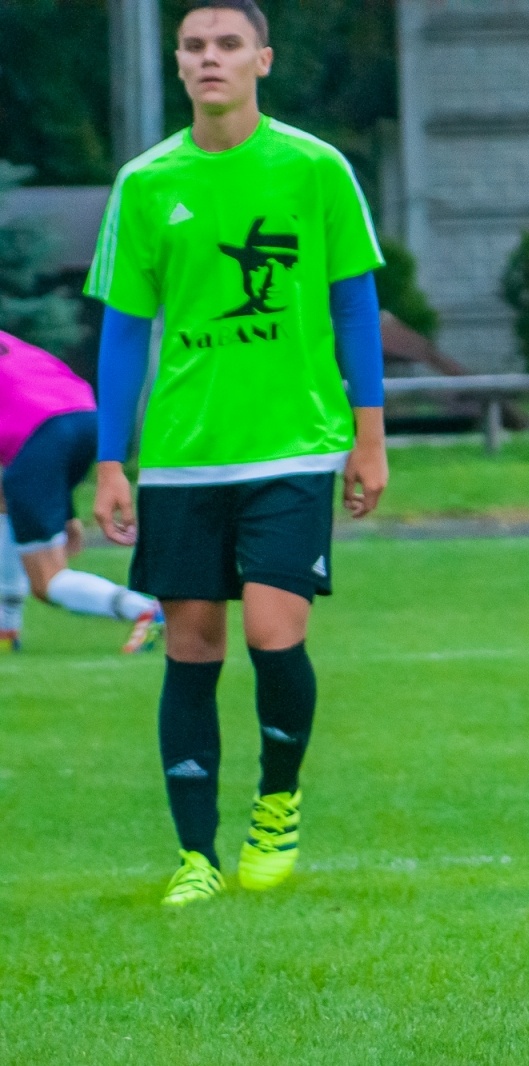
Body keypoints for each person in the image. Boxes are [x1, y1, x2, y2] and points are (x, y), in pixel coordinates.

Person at [85, 0, 388, 907]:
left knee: (271, 630)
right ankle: (195, 857)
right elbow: (124, 333)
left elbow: (355, 307)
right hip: (182, 455)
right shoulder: (145, 184)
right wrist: (111, 460)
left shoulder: (314, 168)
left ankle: (277, 802)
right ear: (177, 65)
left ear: (263, 58)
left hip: (294, 445)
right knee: (193, 642)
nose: (210, 58)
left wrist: (369, 437)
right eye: (194, 46)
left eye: (227, 44)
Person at [0, 331, 163, 653]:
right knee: (5, 501)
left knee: (47, 582)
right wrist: (67, 513)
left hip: (38, 436)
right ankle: (5, 632)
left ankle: (143, 610)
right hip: (84, 418)